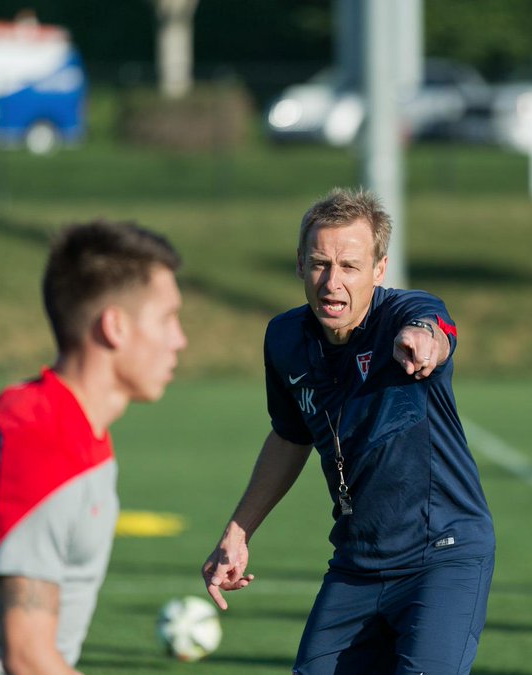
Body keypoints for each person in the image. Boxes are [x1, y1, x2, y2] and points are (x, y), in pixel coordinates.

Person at [202, 188, 495, 674]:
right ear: (299, 265)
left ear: (379, 270)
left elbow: (434, 326)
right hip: (357, 562)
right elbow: (289, 436)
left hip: (442, 557)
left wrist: (425, 339)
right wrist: (237, 532)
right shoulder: (284, 339)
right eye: (319, 263)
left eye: (350, 266)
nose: (331, 282)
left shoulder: (404, 315)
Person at [0, 221, 186, 674]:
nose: (179, 339)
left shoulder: (77, 432)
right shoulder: (43, 436)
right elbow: (26, 658)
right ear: (115, 327)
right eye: (167, 319)